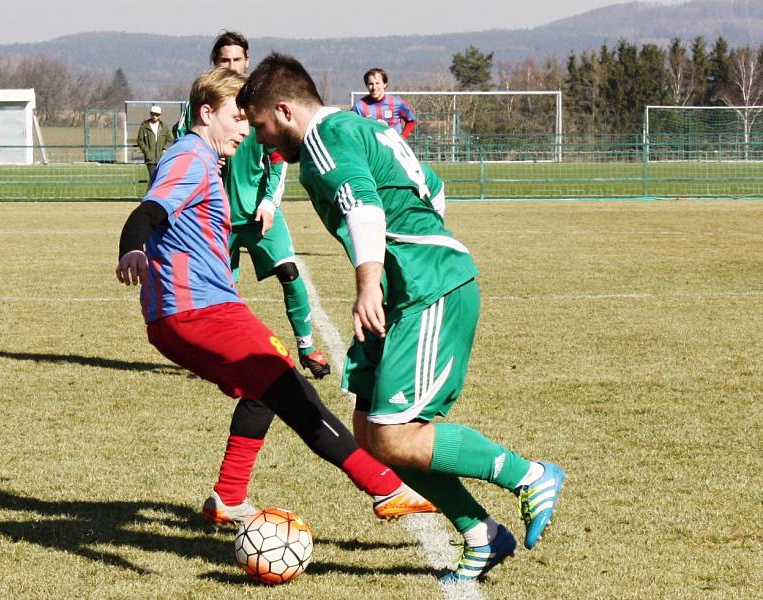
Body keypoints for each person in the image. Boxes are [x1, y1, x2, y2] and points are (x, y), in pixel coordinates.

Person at [237, 53, 566, 583]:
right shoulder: (361, 128)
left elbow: (364, 208)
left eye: (262, 126)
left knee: (394, 434)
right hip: (405, 289)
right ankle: (481, 534)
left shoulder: (325, 139)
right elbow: (433, 188)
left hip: (427, 288)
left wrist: (376, 279)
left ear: (284, 109)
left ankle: (529, 476)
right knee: (370, 434)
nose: (263, 140)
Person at [116, 67, 436, 535]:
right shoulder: (190, 157)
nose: (245, 130)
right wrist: (133, 247)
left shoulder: (203, 159)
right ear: (207, 113)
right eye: (237, 118)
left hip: (194, 309)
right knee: (291, 388)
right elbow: (148, 211)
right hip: (197, 310)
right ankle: (385, 486)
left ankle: (228, 497)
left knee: (265, 385)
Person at [173, 31, 333, 527]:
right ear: (214, 64)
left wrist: (269, 203)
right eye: (224, 60)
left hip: (260, 212)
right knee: (225, 294)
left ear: (249, 61)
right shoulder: (200, 109)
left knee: (289, 272)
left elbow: (277, 160)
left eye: (239, 58)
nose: (234, 64)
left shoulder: (257, 104)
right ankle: (232, 359)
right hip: (218, 217)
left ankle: (306, 344)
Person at [351, 68, 416, 140]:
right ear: (367, 86)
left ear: (385, 84)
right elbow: (350, 126)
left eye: (377, 83)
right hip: (371, 149)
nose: (374, 87)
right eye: (371, 84)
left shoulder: (397, 103)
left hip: (393, 148)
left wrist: (402, 137)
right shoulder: (359, 106)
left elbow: (411, 121)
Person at [136, 105, 173, 184]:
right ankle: (153, 195)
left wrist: (165, 149)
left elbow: (170, 139)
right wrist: (147, 152)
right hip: (150, 159)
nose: (154, 116)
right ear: (150, 113)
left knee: (161, 179)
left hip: (162, 158)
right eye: (153, 114)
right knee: (153, 179)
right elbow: (140, 140)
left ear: (159, 115)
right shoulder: (144, 126)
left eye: (157, 114)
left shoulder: (164, 127)